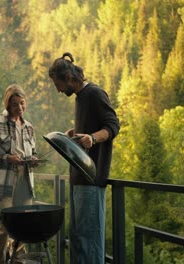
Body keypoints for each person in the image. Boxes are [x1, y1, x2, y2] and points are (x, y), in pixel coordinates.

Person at [48, 52, 120, 264]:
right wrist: (76, 132)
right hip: (78, 177)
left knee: (90, 239)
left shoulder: (95, 94)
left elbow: (113, 125)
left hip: (91, 178)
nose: (58, 90)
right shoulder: (81, 97)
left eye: (58, 84)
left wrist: (93, 138)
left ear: (69, 79)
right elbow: (90, 126)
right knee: (78, 238)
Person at [0, 84, 38, 264]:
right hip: (2, 185)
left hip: (24, 184)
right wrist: (6, 157)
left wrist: (33, 159)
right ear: (7, 104)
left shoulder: (29, 127)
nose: (19, 108)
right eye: (15, 105)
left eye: (22, 103)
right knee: (2, 231)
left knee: (21, 231)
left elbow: (32, 151)